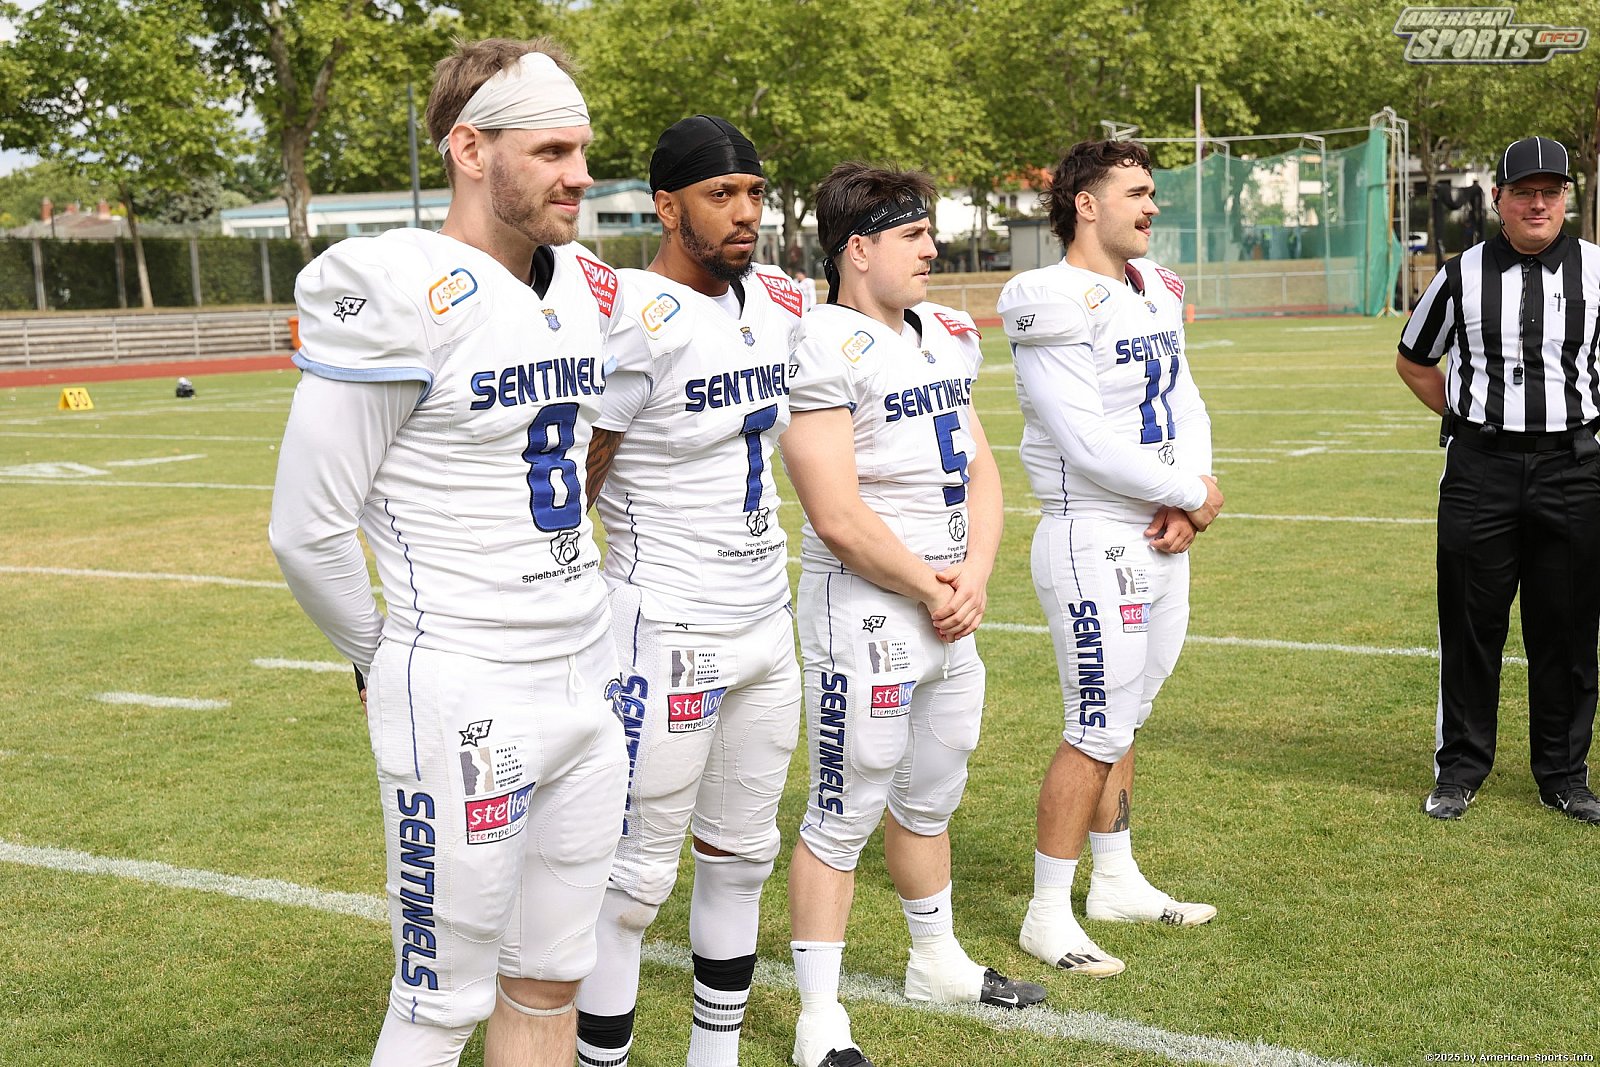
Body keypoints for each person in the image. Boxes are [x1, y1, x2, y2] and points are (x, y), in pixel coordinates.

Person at [268, 39, 629, 1067]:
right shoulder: (400, 286)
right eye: (552, 150)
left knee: (551, 976)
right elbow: (307, 526)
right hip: (467, 681)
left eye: (582, 148)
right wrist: (381, 653)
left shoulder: (585, 284)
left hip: (585, 670)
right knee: (439, 1002)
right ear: (471, 150)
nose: (580, 173)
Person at [782, 161, 1045, 1067]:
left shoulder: (943, 333)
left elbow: (981, 469)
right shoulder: (821, 342)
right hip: (869, 610)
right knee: (842, 806)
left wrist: (974, 571)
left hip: (947, 608)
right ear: (857, 250)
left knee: (934, 789)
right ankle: (819, 1018)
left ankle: (935, 959)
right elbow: (836, 513)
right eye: (913, 234)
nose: (932, 248)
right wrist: (933, 588)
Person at [573, 115, 806, 1067]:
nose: (745, 212)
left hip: (766, 623)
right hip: (665, 628)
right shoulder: (632, 313)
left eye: (754, 193)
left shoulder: (778, 299)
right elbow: (577, 481)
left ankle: (717, 1057)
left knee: (744, 858)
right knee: (632, 882)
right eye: (721, 194)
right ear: (667, 207)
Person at [997, 139, 1224, 980]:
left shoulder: (1155, 283)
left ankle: (1117, 879)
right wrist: (1187, 492)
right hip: (1091, 532)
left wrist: (1189, 495)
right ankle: (1045, 912)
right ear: (1085, 204)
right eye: (1136, 192)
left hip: (1160, 525)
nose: (1152, 205)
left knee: (1128, 714)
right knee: (1094, 724)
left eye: (1152, 191)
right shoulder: (1046, 295)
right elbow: (1084, 439)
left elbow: (1184, 398)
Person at [1397, 136, 1600, 825]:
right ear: (1498, 198)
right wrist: (1469, 420)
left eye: (1550, 191)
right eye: (1523, 192)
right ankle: (1459, 770)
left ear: (1566, 197)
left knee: (1567, 628)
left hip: (1574, 470)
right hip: (1480, 469)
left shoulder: (1597, 271)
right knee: (1470, 623)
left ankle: (1564, 775)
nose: (1537, 204)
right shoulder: (1461, 274)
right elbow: (1414, 360)